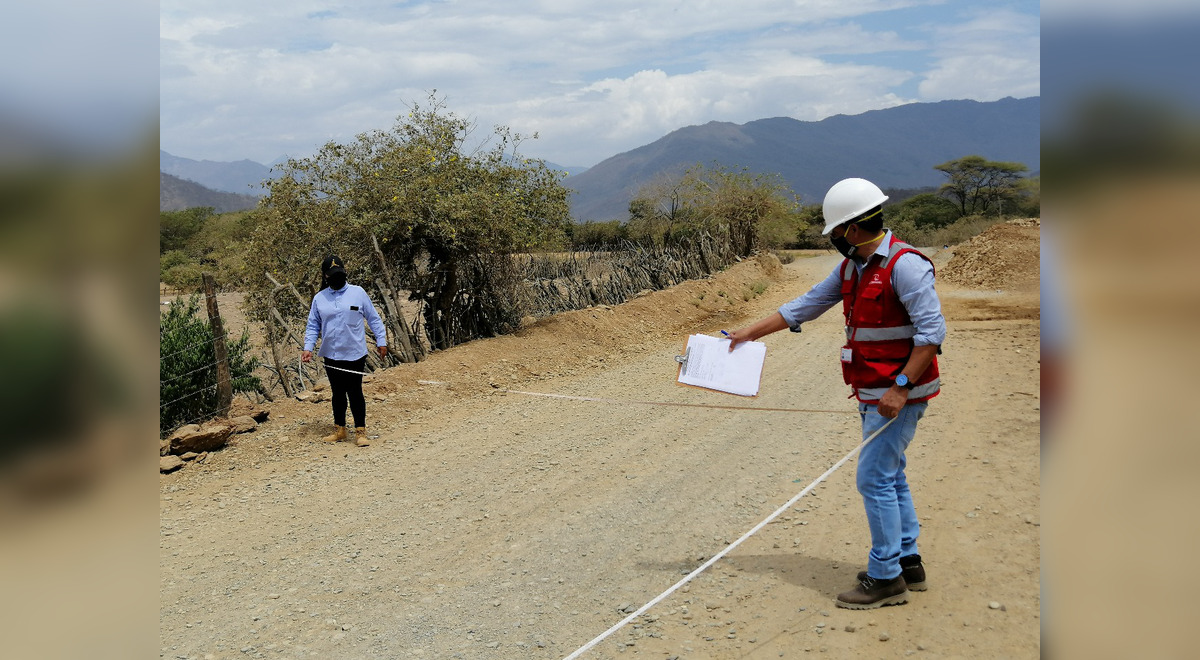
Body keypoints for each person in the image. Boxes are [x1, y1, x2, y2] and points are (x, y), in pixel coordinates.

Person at [726, 178, 945, 610]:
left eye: (834, 232)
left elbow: (932, 333)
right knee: (890, 473)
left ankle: (885, 577)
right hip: (870, 389)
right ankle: (908, 560)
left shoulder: (905, 265)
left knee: (873, 479)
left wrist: (901, 388)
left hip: (896, 393)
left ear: (851, 228)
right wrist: (747, 333)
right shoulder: (853, 267)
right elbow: (806, 304)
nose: (833, 240)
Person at [301, 255, 388, 447]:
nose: (337, 277)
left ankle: (360, 431)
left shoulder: (358, 293)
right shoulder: (319, 298)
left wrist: (382, 341)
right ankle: (339, 429)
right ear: (325, 276)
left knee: (355, 391)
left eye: (339, 274)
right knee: (337, 392)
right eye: (332, 275)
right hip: (331, 354)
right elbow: (313, 325)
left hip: (355, 352)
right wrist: (308, 347)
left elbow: (373, 318)